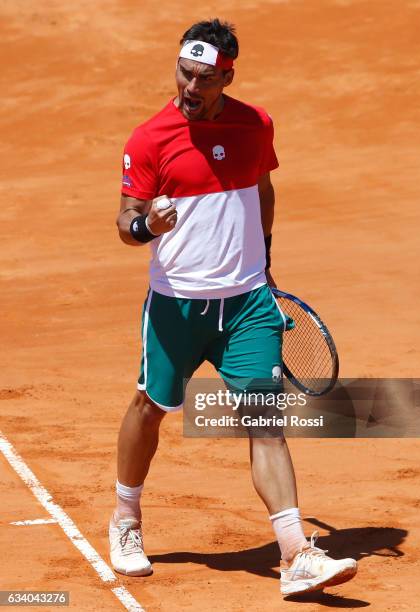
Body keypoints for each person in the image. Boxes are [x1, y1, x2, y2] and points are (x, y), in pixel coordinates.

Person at [109, 18, 357, 598]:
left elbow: (263, 191)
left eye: (203, 79)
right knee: (151, 407)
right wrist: (149, 224)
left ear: (226, 76)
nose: (189, 88)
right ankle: (125, 519)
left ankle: (296, 552)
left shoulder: (256, 124)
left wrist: (264, 263)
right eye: (183, 73)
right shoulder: (149, 138)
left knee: (264, 421)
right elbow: (125, 222)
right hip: (177, 306)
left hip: (247, 302)